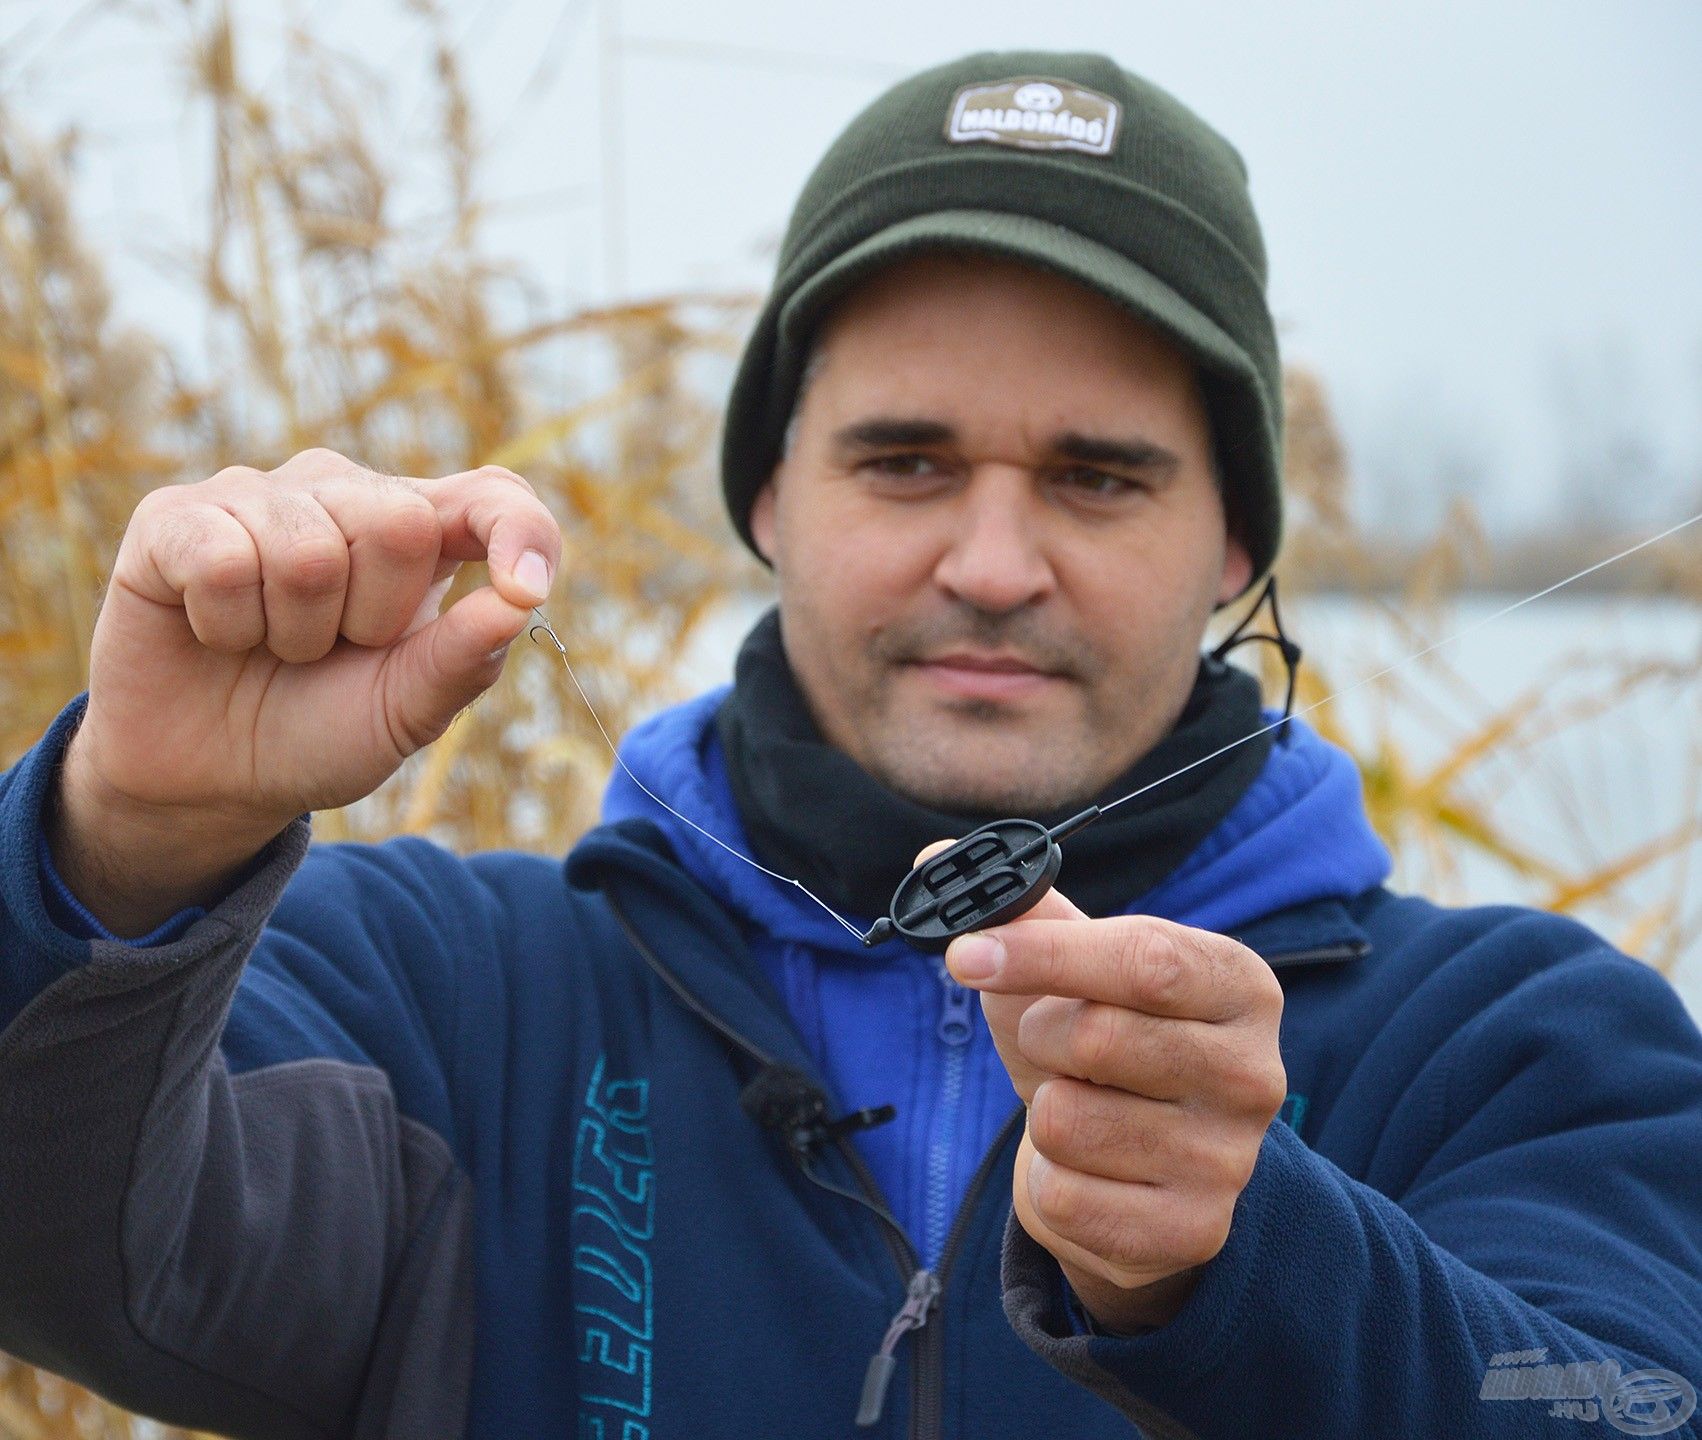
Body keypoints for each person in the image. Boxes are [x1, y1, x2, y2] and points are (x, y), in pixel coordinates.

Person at [2, 48, 1699, 1440]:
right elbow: (52, 1240)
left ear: (1239, 548)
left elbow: (1628, 1405)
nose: (989, 563)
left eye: (1097, 476)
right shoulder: (435, 998)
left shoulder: (1529, 1048)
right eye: (902, 461)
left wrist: (1252, 1264)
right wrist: (128, 835)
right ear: (766, 496)